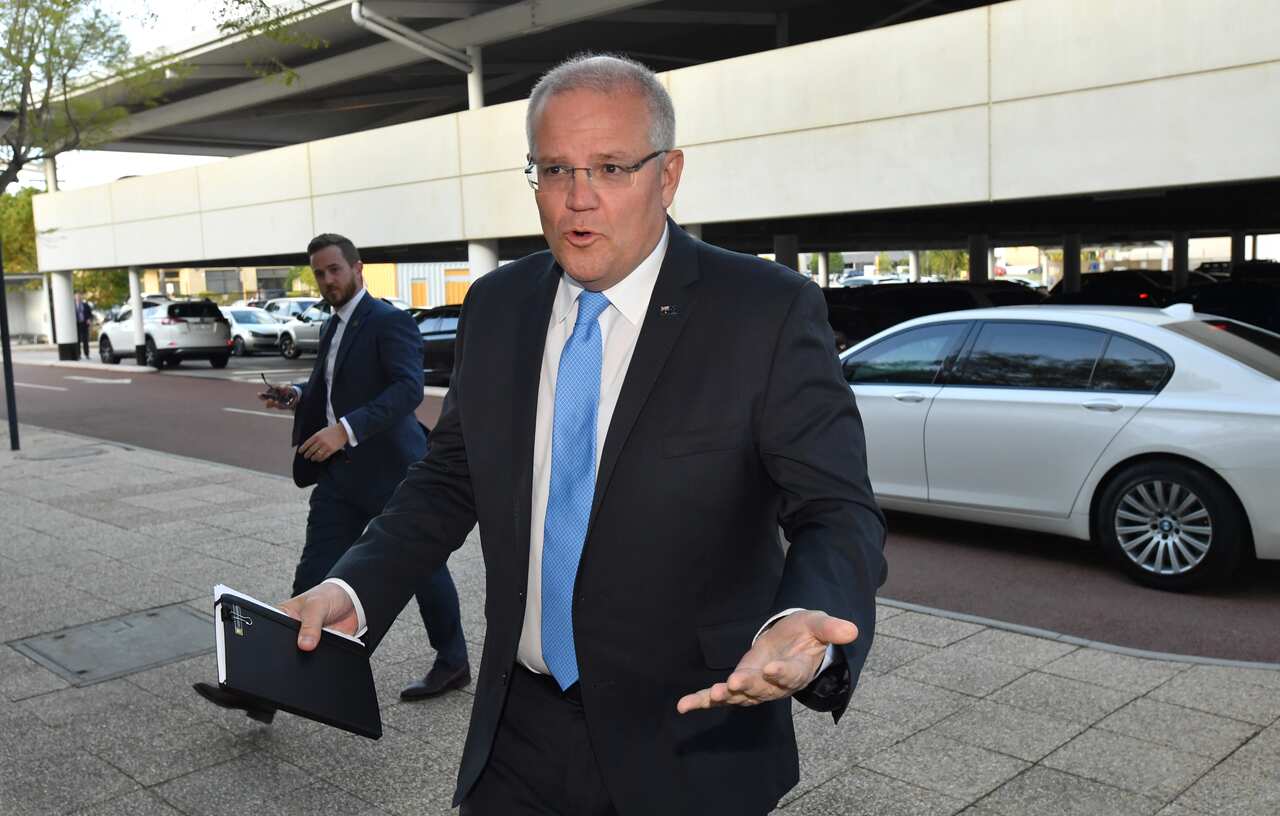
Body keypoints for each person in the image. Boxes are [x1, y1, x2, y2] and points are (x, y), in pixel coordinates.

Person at [284, 55, 886, 816]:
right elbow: (451, 475)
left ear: (668, 176)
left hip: (694, 735)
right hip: (518, 735)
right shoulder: (497, 306)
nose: (578, 197)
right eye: (554, 169)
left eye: (610, 167)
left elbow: (836, 509)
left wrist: (803, 617)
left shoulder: (765, 311)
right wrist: (354, 586)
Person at [193, 233, 470, 724]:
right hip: (337, 478)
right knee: (312, 576)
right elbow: (332, 385)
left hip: (390, 472)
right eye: (319, 274)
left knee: (424, 571)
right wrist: (298, 393)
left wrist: (345, 430)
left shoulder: (389, 321)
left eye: (334, 270)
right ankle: (268, 688)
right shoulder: (331, 325)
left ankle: (453, 662)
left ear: (357, 268)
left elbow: (408, 389)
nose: (327, 281)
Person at [74, 293, 93, 359]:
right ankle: (78, 355)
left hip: (84, 324)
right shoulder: (72, 305)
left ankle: (87, 354)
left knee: (85, 340)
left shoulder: (85, 305)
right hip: (77, 324)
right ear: (75, 297)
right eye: (77, 296)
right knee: (78, 340)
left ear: (81, 297)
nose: (78, 297)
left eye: (79, 296)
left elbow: (90, 314)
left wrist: (89, 319)